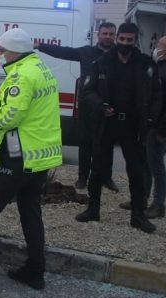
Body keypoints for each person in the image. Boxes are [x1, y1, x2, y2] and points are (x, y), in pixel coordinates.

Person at [0, 28, 62, 290]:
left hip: (17, 157)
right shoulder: (41, 69)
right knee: (31, 213)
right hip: (38, 158)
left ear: (15, 52)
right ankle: (35, 270)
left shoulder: (20, 76)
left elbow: (7, 118)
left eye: (2, 50)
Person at [75, 23, 160, 234]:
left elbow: (157, 94)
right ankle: (93, 209)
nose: (124, 44)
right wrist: (100, 105)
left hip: (133, 126)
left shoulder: (145, 64)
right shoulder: (101, 63)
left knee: (137, 171)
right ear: (117, 38)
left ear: (135, 40)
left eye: (129, 40)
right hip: (106, 123)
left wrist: (151, 120)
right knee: (98, 170)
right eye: (121, 39)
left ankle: (137, 215)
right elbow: (87, 91)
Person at [35, 23, 119, 192]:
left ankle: (106, 178)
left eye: (111, 34)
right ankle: (82, 178)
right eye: (105, 33)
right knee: (85, 142)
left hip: (109, 106)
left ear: (115, 35)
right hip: (87, 104)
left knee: (106, 144)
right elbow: (64, 52)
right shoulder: (86, 52)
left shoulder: (119, 55)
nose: (108, 36)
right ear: (98, 35)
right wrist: (40, 46)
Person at [142, 35, 166, 219]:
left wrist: (163, 130)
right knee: (147, 164)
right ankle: (143, 199)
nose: (156, 47)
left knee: (156, 166)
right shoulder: (161, 67)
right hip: (152, 124)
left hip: (158, 127)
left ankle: (158, 205)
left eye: (159, 45)